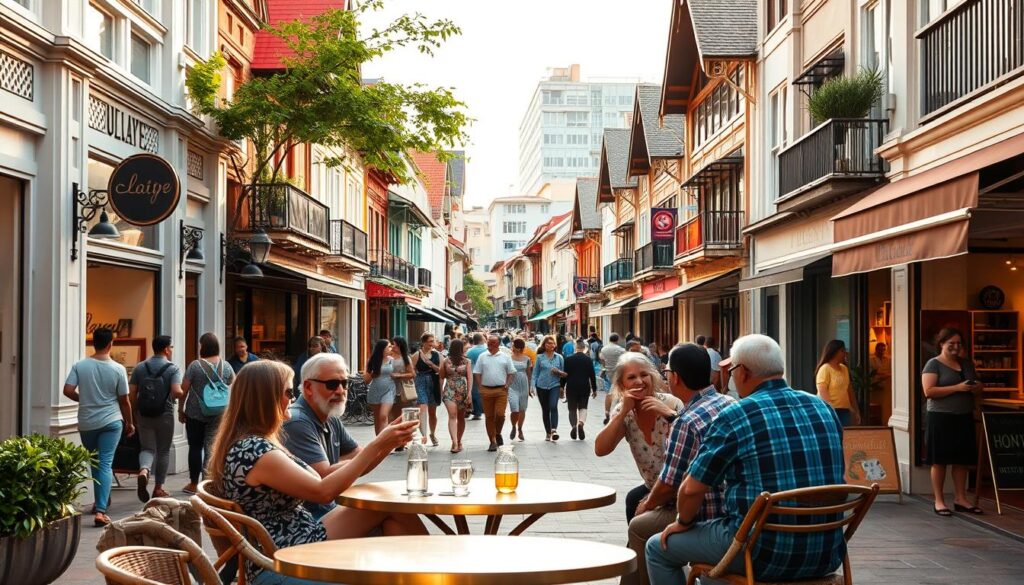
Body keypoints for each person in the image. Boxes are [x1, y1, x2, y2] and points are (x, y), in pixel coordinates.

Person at [648, 334, 846, 584]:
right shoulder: (824, 408)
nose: (729, 376)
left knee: (657, 547)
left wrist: (682, 522)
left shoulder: (737, 414)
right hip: (826, 551)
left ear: (742, 372)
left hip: (761, 553)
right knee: (713, 571)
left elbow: (690, 490)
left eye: (730, 370)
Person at [208, 360, 426, 585]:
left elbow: (320, 477)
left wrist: (384, 444)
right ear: (266, 398)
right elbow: (323, 491)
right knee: (387, 512)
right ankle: (435, 571)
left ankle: (427, 574)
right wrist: (378, 444)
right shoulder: (255, 450)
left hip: (294, 537)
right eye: (288, 391)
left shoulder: (255, 443)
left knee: (390, 513)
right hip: (283, 553)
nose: (293, 399)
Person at [623, 344, 734, 585]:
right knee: (635, 500)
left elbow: (670, 485)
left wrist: (648, 504)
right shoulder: (729, 403)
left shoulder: (687, 420)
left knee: (640, 527)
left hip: (707, 514)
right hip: (736, 510)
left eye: (667, 372)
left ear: (676, 378)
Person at [595, 352, 684, 524]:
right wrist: (621, 414)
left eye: (644, 375)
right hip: (652, 488)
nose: (639, 381)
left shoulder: (671, 404)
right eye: (631, 377)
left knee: (638, 520)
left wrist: (669, 415)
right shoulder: (625, 413)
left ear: (652, 377)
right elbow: (601, 449)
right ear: (622, 385)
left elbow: (689, 446)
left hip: (677, 489)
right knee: (633, 499)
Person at [63, 327, 133, 527]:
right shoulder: (118, 369)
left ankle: (101, 502)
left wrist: (82, 399)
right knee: (105, 463)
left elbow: (67, 390)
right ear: (111, 344)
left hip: (87, 422)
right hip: (111, 421)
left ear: (94, 343)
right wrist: (130, 422)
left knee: (96, 463)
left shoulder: (80, 366)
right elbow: (124, 400)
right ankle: (101, 510)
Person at [282, 353, 361, 519]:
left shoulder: (328, 414)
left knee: (391, 514)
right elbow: (324, 479)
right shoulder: (296, 422)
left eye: (345, 383)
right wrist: (382, 443)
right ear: (308, 387)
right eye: (332, 384)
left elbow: (355, 453)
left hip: (325, 509)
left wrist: (388, 441)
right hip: (310, 517)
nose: (340, 391)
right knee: (385, 513)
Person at [922, 327, 983, 516]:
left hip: (964, 416)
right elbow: (929, 391)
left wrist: (977, 387)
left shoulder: (967, 364)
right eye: (951, 344)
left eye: (959, 343)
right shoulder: (933, 364)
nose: (956, 347)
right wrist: (957, 387)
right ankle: (939, 501)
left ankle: (960, 498)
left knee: (962, 460)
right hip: (940, 418)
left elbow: (977, 386)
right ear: (941, 344)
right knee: (939, 461)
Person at [129, 335, 183, 502]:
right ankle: (158, 488)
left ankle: (144, 470)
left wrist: (134, 413)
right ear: (166, 349)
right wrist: (184, 392)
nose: (172, 350)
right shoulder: (173, 369)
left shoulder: (140, 367)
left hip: (144, 414)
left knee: (147, 449)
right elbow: (176, 391)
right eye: (171, 347)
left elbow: (131, 394)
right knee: (163, 450)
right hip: (164, 414)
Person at [179, 332, 235, 495]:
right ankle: (208, 482)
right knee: (212, 447)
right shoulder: (226, 366)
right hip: (219, 413)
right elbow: (234, 385)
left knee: (195, 447)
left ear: (203, 346)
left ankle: (193, 484)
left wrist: (180, 409)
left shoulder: (195, 366)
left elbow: (184, 390)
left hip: (195, 413)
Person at [472, 334, 517, 451]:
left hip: (501, 389)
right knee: (489, 417)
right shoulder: (482, 356)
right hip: (486, 390)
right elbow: (477, 372)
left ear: (498, 344)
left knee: (500, 414)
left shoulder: (505, 356)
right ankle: (492, 441)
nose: (489, 345)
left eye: (492, 343)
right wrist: (480, 386)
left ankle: (498, 433)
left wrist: (507, 385)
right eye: (488, 342)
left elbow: (511, 372)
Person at [815, 339, 861, 427]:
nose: (845, 353)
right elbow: (822, 390)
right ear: (834, 352)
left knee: (844, 437)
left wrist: (856, 410)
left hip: (844, 411)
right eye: (842, 351)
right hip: (830, 411)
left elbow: (849, 390)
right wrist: (830, 410)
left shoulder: (844, 368)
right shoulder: (825, 368)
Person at [439, 339, 472, 452]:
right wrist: (441, 390)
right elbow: (442, 375)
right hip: (449, 389)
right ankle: (454, 442)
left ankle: (459, 440)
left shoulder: (467, 361)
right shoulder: (445, 361)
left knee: (461, 417)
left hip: (462, 390)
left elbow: (469, 377)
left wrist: (469, 393)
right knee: (452, 415)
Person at [533, 335, 567, 441]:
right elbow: (535, 374)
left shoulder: (559, 357)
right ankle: (548, 432)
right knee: (545, 409)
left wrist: (558, 372)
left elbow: (564, 374)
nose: (551, 345)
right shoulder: (539, 357)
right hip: (541, 386)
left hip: (555, 385)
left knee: (553, 406)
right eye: (548, 343)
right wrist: (532, 387)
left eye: (552, 343)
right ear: (544, 345)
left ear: (555, 345)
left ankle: (554, 430)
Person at [411, 333, 442, 446]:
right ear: (423, 342)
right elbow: (412, 369)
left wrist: (431, 364)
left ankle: (432, 434)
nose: (432, 343)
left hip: (433, 382)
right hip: (420, 381)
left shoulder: (437, 355)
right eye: (430, 341)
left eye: (432, 341)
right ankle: (423, 435)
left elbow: (441, 370)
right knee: (422, 409)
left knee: (432, 412)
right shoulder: (416, 355)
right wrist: (415, 378)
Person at [564, 340, 597, 440]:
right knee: (583, 407)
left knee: (572, 409)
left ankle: (574, 426)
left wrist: (561, 386)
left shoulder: (568, 359)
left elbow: (564, 375)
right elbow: (592, 375)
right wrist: (594, 389)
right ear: (584, 348)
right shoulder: (588, 360)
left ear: (575, 348)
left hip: (571, 386)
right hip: (584, 386)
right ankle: (581, 423)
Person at [365, 339, 396, 436]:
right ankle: (378, 442)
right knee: (377, 419)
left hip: (389, 390)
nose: (391, 348)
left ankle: (384, 442)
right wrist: (373, 373)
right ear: (382, 348)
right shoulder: (372, 360)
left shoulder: (393, 360)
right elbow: (366, 380)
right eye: (389, 346)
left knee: (383, 416)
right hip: (375, 390)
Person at [508, 338, 534, 442]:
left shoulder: (527, 359)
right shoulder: (508, 358)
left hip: (523, 384)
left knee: (522, 409)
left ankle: (520, 429)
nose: (512, 347)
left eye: (514, 345)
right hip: (512, 385)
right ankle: (513, 426)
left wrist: (530, 388)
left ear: (519, 348)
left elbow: (529, 374)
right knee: (515, 409)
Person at [600, 333, 627, 425]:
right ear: (617, 339)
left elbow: (602, 360)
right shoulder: (621, 350)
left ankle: (607, 412)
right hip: (618, 373)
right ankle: (617, 412)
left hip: (607, 372)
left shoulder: (604, 349)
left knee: (608, 393)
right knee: (620, 392)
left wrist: (604, 367)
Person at [465, 333, 488, 420]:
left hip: (474, 373)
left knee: (475, 392)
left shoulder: (470, 351)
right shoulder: (487, 349)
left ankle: (477, 412)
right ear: (481, 340)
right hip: (487, 373)